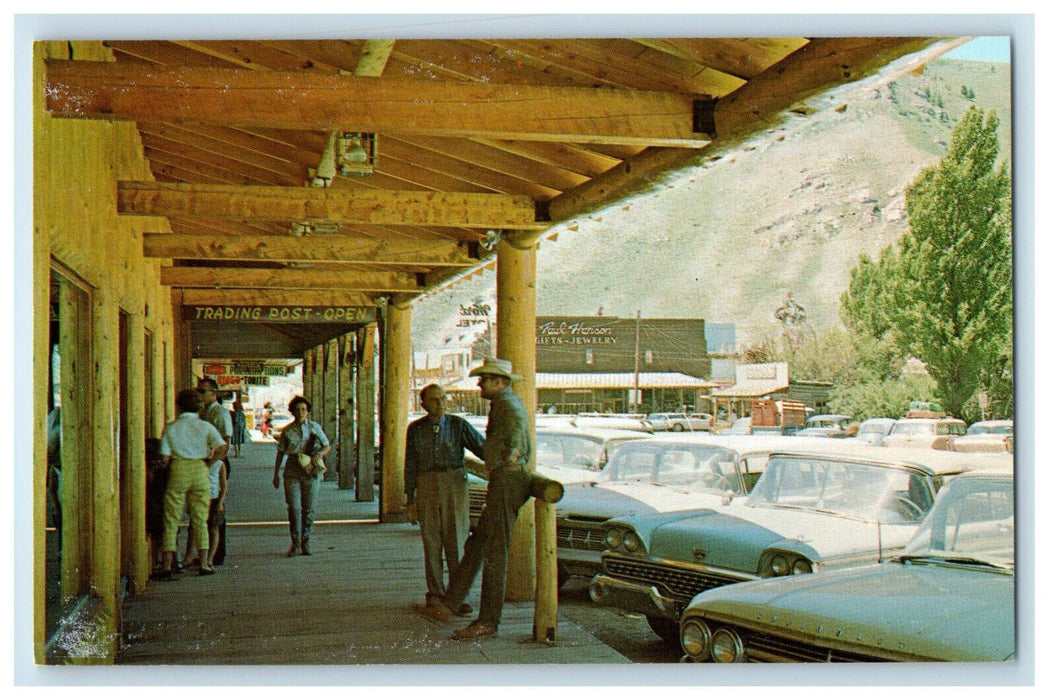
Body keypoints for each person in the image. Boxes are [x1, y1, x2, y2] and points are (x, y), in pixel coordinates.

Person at [414, 358, 533, 641]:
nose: (479, 383)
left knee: (494, 553)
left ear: (500, 382)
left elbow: (515, 436)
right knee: (478, 543)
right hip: (503, 479)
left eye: (485, 379)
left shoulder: (508, 405)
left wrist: (511, 455)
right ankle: (450, 602)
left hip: (508, 480)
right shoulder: (503, 403)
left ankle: (488, 621)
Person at [404, 384, 485, 613]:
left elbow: (482, 447)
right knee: (431, 541)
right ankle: (436, 594)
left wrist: (504, 458)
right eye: (434, 400)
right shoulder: (416, 429)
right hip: (427, 483)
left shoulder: (458, 425)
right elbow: (410, 465)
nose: (440, 404)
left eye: (442, 398)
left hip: (454, 483)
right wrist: (410, 500)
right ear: (423, 404)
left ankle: (457, 596)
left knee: (457, 539)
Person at [154, 388, 227, 580]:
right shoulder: (206, 427)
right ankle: (203, 563)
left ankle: (167, 565)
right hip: (200, 470)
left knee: (171, 518)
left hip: (178, 469)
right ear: (199, 407)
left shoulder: (171, 428)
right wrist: (209, 462)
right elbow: (222, 446)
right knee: (200, 519)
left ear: (178, 406)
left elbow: (165, 456)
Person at [273, 396, 331, 557]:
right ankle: (295, 542)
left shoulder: (314, 428)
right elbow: (280, 453)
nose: (300, 412)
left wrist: (319, 454)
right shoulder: (287, 430)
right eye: (297, 410)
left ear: (308, 411)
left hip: (310, 468)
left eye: (303, 410)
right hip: (292, 468)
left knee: (309, 507)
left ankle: (306, 541)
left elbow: (327, 445)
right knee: (294, 507)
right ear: (292, 411)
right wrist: (276, 474)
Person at [187, 377, 232, 568]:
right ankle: (200, 555)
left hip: (215, 463)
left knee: (215, 512)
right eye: (198, 391)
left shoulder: (220, 413)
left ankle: (216, 555)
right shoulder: (203, 413)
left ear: (214, 393)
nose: (199, 394)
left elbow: (226, 441)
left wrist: (212, 463)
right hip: (205, 461)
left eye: (203, 391)